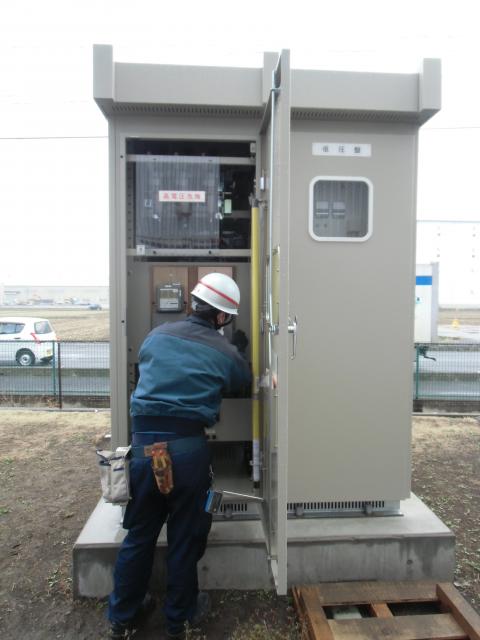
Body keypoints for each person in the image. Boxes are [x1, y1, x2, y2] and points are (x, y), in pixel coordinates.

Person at [107, 272, 252, 639]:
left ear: (193, 302)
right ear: (222, 316)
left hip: (144, 451)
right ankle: (179, 620)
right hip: (187, 453)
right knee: (185, 538)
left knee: (139, 535)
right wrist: (238, 349)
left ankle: (123, 618)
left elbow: (147, 369)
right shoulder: (224, 351)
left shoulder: (155, 336)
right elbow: (241, 380)